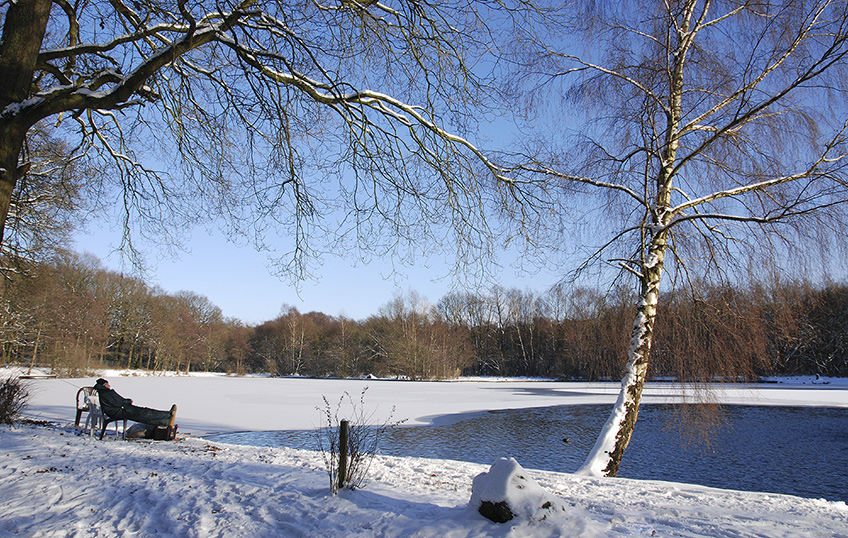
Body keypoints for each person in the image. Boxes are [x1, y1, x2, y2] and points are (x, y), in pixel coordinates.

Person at [93, 378, 177, 429]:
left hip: (121, 410)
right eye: (107, 384)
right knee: (144, 413)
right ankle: (168, 415)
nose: (109, 385)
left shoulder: (105, 392)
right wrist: (128, 401)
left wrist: (126, 401)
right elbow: (119, 402)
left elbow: (118, 402)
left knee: (143, 416)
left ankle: (166, 421)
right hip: (119, 411)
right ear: (104, 385)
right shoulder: (106, 393)